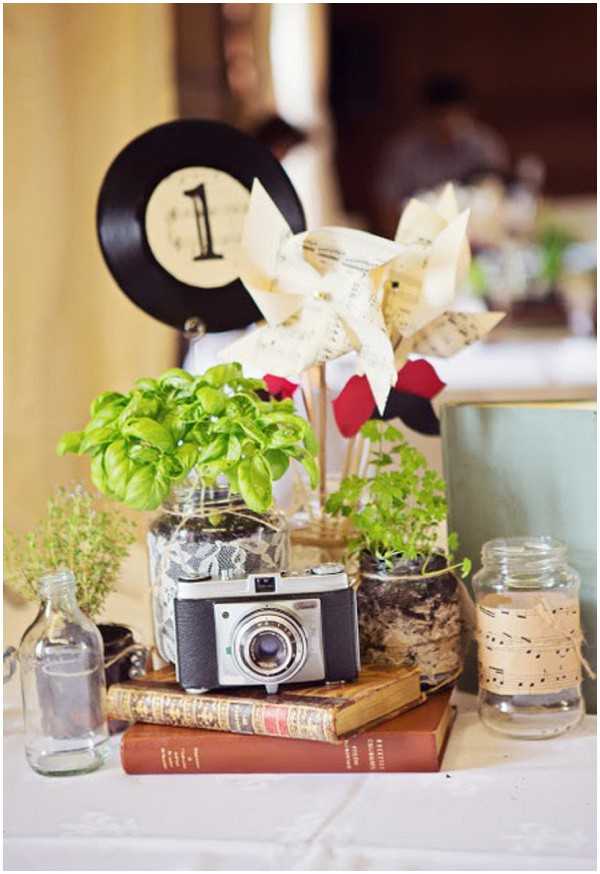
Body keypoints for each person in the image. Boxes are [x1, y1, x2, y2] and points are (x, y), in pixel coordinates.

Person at [376, 74, 509, 237]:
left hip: (475, 238)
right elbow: (387, 208)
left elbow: (500, 197)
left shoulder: (484, 146)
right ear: (426, 116)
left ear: (469, 113)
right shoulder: (404, 151)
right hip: (419, 239)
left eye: (457, 116)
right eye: (443, 116)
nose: (449, 124)